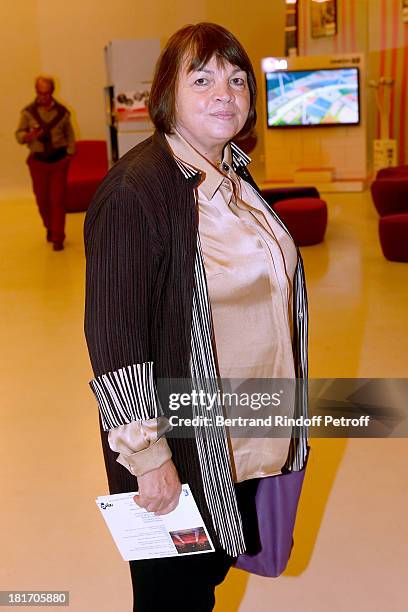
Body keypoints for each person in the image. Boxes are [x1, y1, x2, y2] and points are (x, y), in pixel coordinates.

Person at [84, 23, 308, 612]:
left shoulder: (232, 172)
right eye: (202, 78)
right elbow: (115, 341)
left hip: (241, 434)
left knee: (205, 584)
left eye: (238, 80)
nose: (225, 93)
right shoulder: (138, 190)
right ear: (167, 93)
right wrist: (149, 459)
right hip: (175, 449)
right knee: (172, 600)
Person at [16, 76, 76, 251]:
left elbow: (70, 135)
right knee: (42, 201)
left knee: (57, 200)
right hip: (38, 162)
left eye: (46, 93)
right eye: (39, 93)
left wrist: (69, 154)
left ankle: (58, 237)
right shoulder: (28, 113)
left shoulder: (63, 112)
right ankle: (50, 228)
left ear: (51, 92)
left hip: (58, 161)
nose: (43, 97)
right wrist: (29, 136)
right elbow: (19, 135)